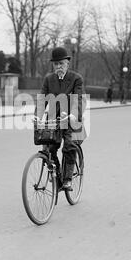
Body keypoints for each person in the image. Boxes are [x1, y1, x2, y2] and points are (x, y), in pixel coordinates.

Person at [34, 47, 86, 190]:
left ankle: (68, 179)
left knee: (69, 145)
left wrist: (74, 115)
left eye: (61, 63)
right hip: (54, 119)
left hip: (71, 118)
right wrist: (37, 117)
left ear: (67, 63)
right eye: (56, 64)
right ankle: (58, 176)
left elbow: (79, 99)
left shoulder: (76, 79)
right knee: (49, 148)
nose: (58, 67)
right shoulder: (48, 79)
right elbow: (42, 100)